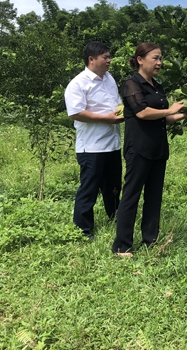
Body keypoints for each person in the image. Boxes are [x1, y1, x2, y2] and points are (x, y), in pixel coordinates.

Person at [112, 43, 187, 257]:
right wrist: (170, 109)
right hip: (139, 149)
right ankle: (122, 246)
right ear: (140, 59)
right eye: (155, 58)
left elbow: (164, 117)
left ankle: (150, 240)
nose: (159, 62)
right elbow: (142, 112)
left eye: (161, 58)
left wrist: (184, 115)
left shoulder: (157, 86)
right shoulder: (132, 84)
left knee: (154, 195)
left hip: (158, 148)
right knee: (131, 195)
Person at [64, 41, 124, 240]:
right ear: (92, 59)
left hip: (112, 143)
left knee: (114, 186)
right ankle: (83, 229)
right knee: (89, 188)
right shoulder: (78, 83)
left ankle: (115, 217)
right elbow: (75, 113)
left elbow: (115, 103)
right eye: (105, 57)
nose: (109, 60)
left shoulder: (109, 79)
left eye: (109, 56)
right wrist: (106, 118)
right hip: (91, 146)